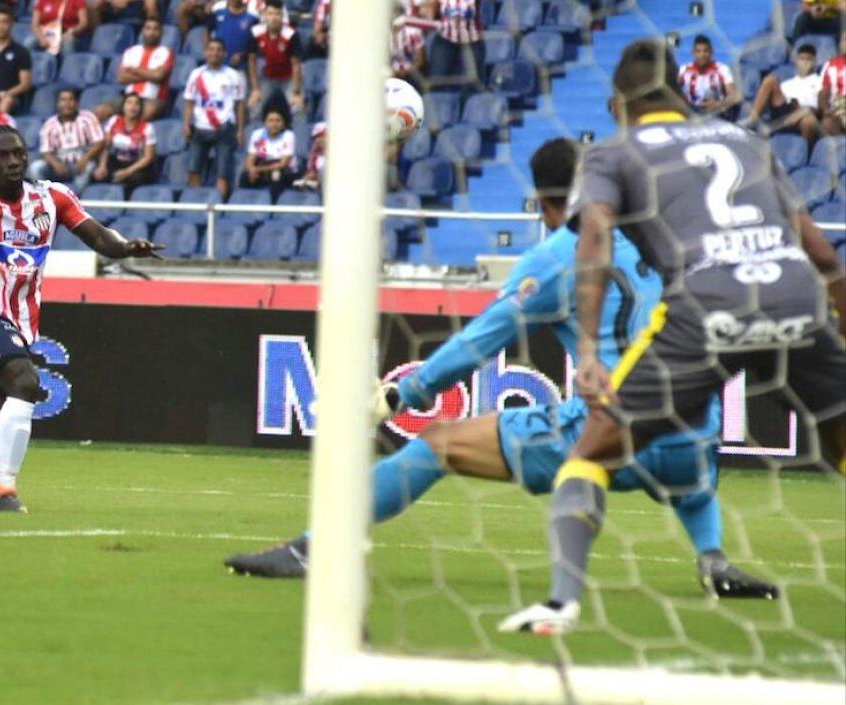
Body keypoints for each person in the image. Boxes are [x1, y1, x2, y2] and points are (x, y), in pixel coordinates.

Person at [225, 137, 779, 605]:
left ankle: (314, 550)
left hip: (608, 428)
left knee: (438, 443)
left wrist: (404, 392)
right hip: (692, 434)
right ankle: (713, 560)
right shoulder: (661, 237)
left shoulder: (559, 255)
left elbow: (480, 341)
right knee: (688, 467)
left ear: (544, 203)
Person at [499, 39, 846, 635]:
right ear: (681, 93)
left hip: (704, 308)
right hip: (793, 297)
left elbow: (594, 239)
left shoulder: (614, 152)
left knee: (591, 454)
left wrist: (588, 350)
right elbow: (819, 250)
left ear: (618, 104)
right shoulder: (745, 140)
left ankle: (561, 604)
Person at [0, 122, 162, 513]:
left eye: (18, 153)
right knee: (26, 381)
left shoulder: (52, 198)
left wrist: (126, 247)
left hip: (20, 323)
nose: (13, 161)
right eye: (2, 156)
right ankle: (5, 490)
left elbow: (98, 236)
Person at [183, 38, 246, 199]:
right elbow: (189, 101)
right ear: (206, 52)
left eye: (219, 49)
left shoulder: (233, 75)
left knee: (222, 173)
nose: (215, 52)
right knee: (193, 170)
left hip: (224, 128)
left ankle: (218, 206)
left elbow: (239, 104)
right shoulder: (196, 74)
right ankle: (197, 204)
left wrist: (240, 130)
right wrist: (186, 124)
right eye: (211, 49)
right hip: (200, 127)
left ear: (224, 53)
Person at [97, 15, 173, 123]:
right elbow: (121, 78)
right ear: (143, 31)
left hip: (153, 99)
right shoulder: (131, 51)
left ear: (161, 33)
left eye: (156, 29)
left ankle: (129, 133)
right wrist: (149, 74)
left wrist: (134, 70)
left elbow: (158, 76)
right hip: (128, 97)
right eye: (148, 28)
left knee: (148, 111)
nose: (151, 32)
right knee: (101, 111)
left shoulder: (166, 52)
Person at [745, 43, 823, 142]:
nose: (804, 63)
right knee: (770, 81)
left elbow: (820, 107)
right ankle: (751, 123)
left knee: (809, 121)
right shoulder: (788, 83)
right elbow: (779, 103)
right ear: (797, 61)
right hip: (785, 112)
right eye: (801, 59)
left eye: (808, 60)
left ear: (814, 62)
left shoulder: (820, 82)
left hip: (805, 112)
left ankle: (805, 149)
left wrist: (803, 112)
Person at [30, 87, 104, 191]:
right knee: (36, 167)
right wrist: (56, 164)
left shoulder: (87, 118)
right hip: (59, 167)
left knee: (89, 167)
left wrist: (85, 159)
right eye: (63, 100)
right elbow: (45, 152)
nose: (67, 103)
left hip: (82, 163)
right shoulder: (49, 124)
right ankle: (44, 196)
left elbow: (99, 142)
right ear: (57, 104)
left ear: (76, 103)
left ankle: (76, 197)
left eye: (71, 99)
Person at [246, 0, 303, 126]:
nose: (274, 18)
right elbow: (251, 61)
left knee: (298, 108)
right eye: (270, 14)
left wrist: (296, 93)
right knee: (254, 105)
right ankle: (256, 137)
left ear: (282, 16)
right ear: (264, 16)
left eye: (277, 14)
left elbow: (296, 65)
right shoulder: (255, 32)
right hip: (268, 77)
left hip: (288, 78)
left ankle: (297, 138)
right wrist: (256, 89)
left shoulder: (291, 34)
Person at [93, 91, 156, 195]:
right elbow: (106, 146)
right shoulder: (114, 121)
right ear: (123, 106)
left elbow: (148, 157)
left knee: (136, 178)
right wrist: (102, 166)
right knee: (97, 173)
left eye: (137, 104)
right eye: (129, 103)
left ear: (140, 108)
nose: (133, 107)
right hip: (117, 161)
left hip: (136, 165)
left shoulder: (147, 127)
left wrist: (127, 172)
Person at [423, 0, 486, 91]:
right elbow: (430, 8)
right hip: (445, 38)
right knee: (436, 80)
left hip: (472, 40)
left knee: (471, 85)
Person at [677, 34, 739, 116]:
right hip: (690, 113)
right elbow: (672, 90)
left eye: (706, 51)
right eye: (698, 51)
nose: (702, 55)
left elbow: (733, 95)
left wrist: (718, 104)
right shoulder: (684, 70)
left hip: (716, 113)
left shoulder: (722, 69)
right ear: (693, 53)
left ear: (712, 52)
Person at [240, 105, 294, 197]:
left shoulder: (288, 136)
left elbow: (283, 163)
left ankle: (274, 204)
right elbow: (251, 157)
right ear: (265, 122)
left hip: (281, 168)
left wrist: (259, 169)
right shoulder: (259, 135)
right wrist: (251, 169)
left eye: (278, 120)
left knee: (276, 176)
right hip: (263, 164)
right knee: (245, 176)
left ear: (283, 123)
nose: (274, 124)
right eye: (271, 120)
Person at [206, 0, 257, 69]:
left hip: (241, 66)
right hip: (218, 65)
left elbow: (255, 45)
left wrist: (243, 55)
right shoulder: (217, 13)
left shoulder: (253, 18)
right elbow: (207, 33)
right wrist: (209, 52)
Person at [819, 34, 845, 135]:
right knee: (827, 123)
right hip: (836, 109)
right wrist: (826, 109)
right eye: (844, 40)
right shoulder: (830, 65)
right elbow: (823, 93)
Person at [292, 119, 324, 189]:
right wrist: (305, 179)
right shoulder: (314, 155)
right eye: (316, 137)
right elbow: (312, 173)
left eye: (322, 136)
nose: (318, 140)